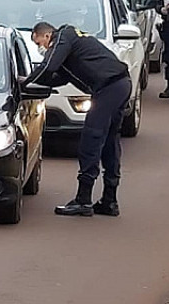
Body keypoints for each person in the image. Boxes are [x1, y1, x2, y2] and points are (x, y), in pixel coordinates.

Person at [23, 22, 132, 217]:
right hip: (119, 85)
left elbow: (49, 67)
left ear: (47, 36)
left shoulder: (64, 36)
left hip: (109, 87)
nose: (41, 48)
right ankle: (109, 200)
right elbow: (59, 77)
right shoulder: (69, 44)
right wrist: (38, 83)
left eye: (39, 42)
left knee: (91, 139)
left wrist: (24, 83)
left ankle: (83, 200)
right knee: (109, 141)